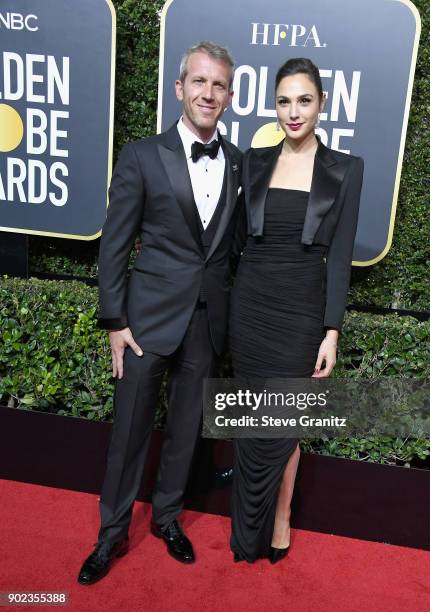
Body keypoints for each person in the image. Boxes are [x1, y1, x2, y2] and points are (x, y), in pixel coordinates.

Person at [78, 41, 243, 585]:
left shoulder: (240, 162)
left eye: (219, 85)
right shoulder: (142, 156)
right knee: (129, 433)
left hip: (207, 323)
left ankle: (168, 517)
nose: (208, 93)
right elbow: (114, 244)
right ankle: (111, 535)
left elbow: (234, 245)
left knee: (185, 431)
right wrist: (114, 321)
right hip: (145, 323)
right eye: (199, 81)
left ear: (230, 96)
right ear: (179, 89)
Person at [229, 57, 364, 564]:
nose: (293, 111)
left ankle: (281, 515)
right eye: (284, 100)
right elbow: (237, 242)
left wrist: (331, 330)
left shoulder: (346, 169)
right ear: (274, 105)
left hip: (302, 311)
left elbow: (341, 255)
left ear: (322, 104)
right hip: (252, 306)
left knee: (285, 423)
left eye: (304, 100)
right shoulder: (254, 161)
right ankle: (248, 526)